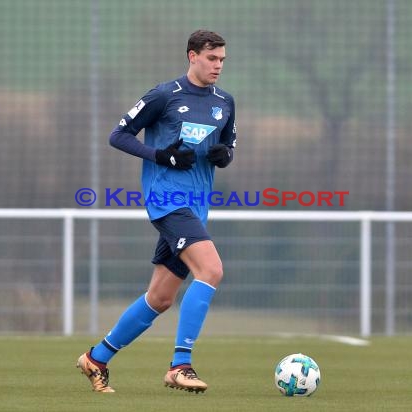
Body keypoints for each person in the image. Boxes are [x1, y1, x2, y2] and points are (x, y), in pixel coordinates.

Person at [76, 29, 237, 394]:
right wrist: (160, 155)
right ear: (192, 56)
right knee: (211, 269)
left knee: (161, 298)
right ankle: (180, 365)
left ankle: (96, 358)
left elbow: (228, 143)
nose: (218, 66)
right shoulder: (165, 95)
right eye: (212, 58)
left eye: (222, 60)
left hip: (197, 206)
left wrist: (225, 155)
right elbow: (119, 135)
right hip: (167, 201)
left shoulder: (224, 101)